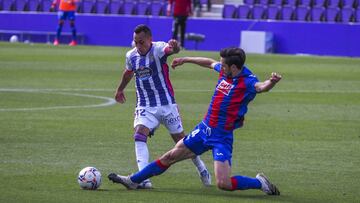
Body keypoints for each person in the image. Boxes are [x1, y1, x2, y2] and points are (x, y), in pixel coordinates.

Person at [108, 47, 282, 195]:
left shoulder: (248, 81)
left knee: (224, 183)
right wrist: (185, 59)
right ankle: (133, 180)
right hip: (204, 129)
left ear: (234, 67)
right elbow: (208, 62)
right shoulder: (225, 70)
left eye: (224, 65)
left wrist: (271, 82)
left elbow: (261, 87)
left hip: (221, 137)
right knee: (169, 156)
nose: (220, 67)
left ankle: (259, 183)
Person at [113, 24, 210, 189]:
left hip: (167, 105)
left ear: (150, 39)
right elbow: (128, 72)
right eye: (136, 42)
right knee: (139, 135)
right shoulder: (131, 56)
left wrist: (176, 47)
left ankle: (202, 169)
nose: (138, 46)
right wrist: (120, 89)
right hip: (145, 106)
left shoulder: (158, 49)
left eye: (141, 42)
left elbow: (171, 50)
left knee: (183, 142)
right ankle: (143, 178)